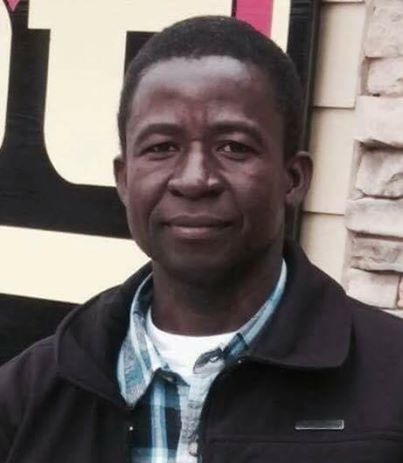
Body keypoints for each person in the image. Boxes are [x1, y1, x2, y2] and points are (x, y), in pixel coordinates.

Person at [1, 15, 403, 463]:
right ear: (124, 179)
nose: (194, 179)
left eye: (234, 147)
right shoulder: (29, 394)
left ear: (293, 179)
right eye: (161, 147)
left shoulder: (392, 385)